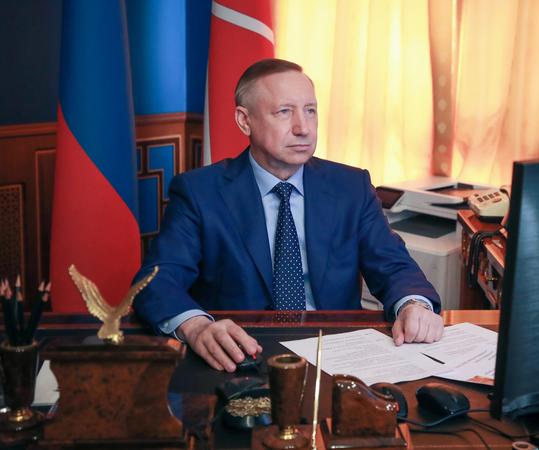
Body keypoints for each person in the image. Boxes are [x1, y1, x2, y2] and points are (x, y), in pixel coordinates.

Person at [133, 58, 444, 372]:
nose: (303, 128)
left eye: (310, 110)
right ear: (245, 121)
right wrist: (197, 327)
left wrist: (413, 304)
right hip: (240, 357)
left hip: (337, 355)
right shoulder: (199, 192)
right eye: (284, 112)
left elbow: (392, 265)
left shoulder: (351, 186)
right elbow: (157, 282)